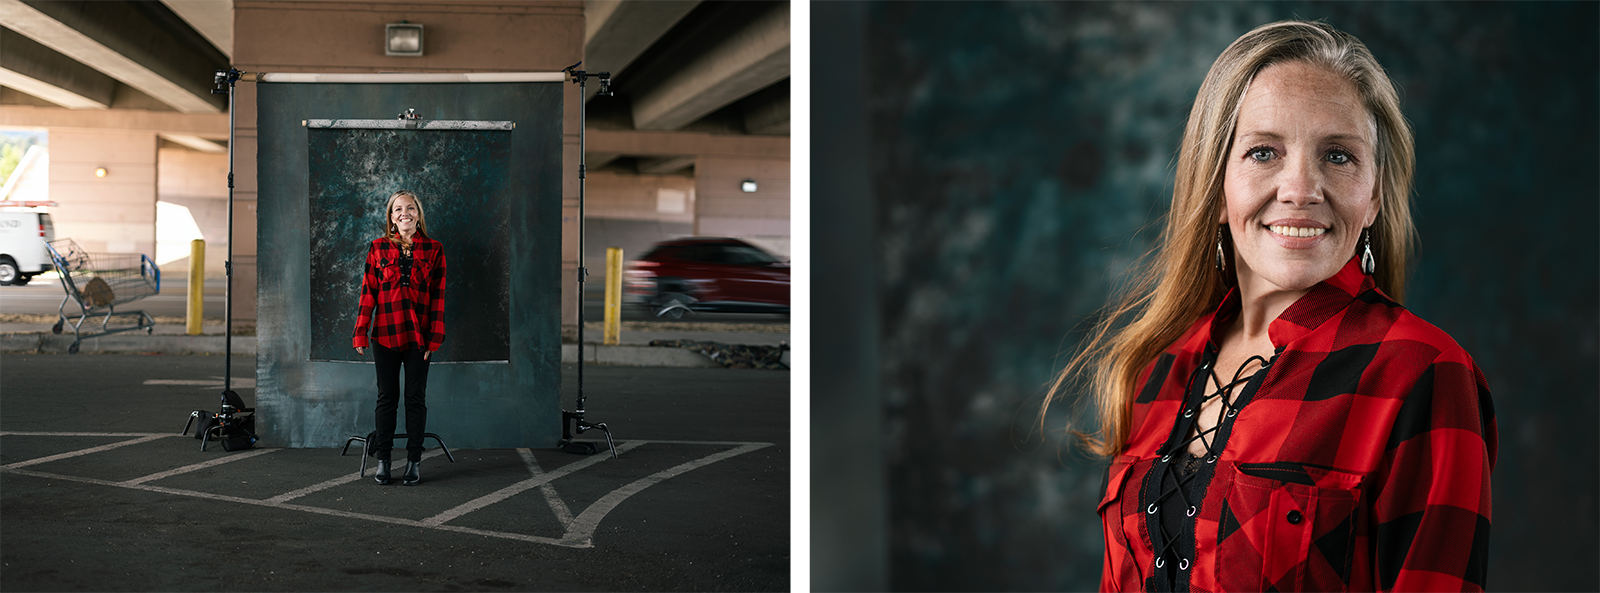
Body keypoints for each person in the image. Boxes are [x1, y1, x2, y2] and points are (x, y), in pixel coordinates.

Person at [1043, 21, 1497, 592]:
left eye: (1338, 156)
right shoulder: (1157, 368)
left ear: (1375, 194)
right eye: (1263, 152)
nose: (1301, 187)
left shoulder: (1423, 373)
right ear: (1216, 188)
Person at [353, 189, 447, 486]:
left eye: (409, 208)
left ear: (418, 213)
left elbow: (439, 297)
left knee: (415, 399)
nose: (404, 213)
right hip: (385, 334)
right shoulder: (377, 248)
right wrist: (360, 329)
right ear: (391, 218)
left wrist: (435, 337)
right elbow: (369, 291)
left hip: (419, 337)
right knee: (387, 397)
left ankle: (414, 462)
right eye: (397, 209)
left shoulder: (434, 249)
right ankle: (383, 461)